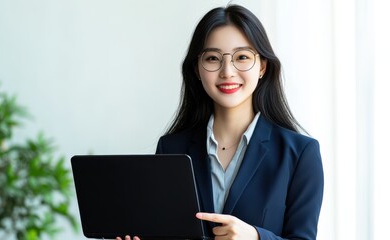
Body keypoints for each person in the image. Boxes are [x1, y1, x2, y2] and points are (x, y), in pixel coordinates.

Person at [117, 4, 324, 240]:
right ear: (197, 68)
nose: (227, 71)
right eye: (213, 58)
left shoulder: (300, 153)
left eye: (242, 57)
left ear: (262, 67)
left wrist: (256, 237)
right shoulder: (171, 148)